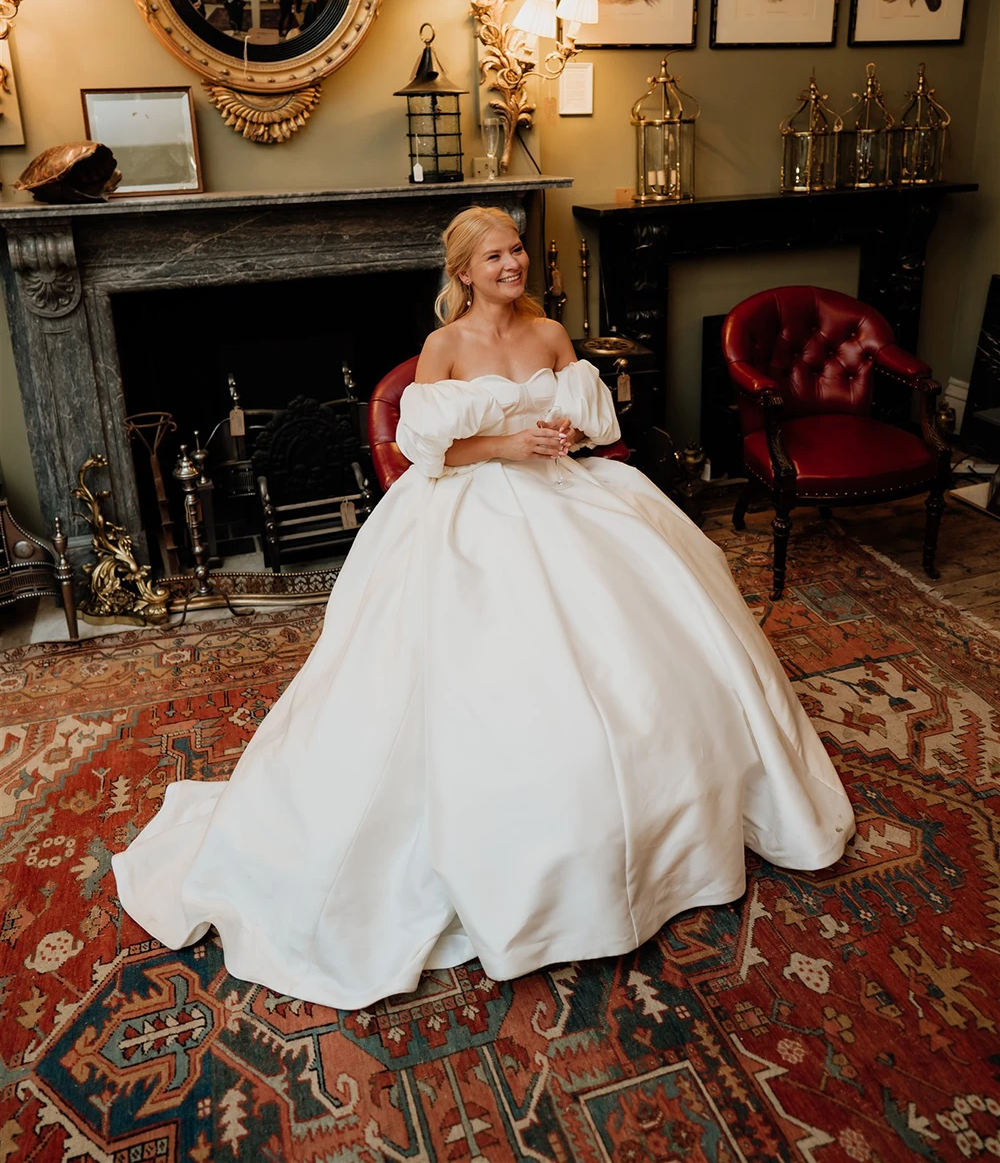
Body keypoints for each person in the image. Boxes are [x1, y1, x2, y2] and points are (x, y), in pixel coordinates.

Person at [113, 206, 854, 1012]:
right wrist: (508, 445)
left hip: (568, 497)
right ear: (464, 271)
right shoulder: (446, 347)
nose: (514, 265)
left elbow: (591, 433)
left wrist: (562, 437)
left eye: (518, 250)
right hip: (472, 506)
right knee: (493, 676)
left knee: (652, 637)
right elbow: (427, 449)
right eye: (496, 256)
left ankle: (668, 834)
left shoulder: (551, 334)